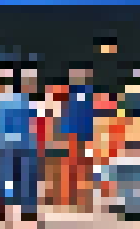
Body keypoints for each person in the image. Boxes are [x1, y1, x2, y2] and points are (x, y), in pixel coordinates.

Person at [0, 70, 43, 226]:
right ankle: (26, 212)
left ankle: (3, 211)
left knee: (7, 178)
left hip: (8, 145)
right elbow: (34, 125)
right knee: (26, 179)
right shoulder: (28, 102)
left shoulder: (2, 102)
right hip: (24, 145)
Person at [57, 69, 98, 211]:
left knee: (81, 168)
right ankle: (71, 199)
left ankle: (80, 200)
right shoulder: (72, 95)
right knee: (73, 167)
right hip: (74, 136)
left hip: (82, 136)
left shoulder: (86, 95)